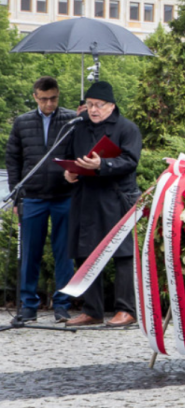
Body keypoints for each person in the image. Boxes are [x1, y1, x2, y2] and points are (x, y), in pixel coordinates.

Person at [62, 81, 142, 327]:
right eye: (89, 105)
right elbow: (66, 156)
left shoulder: (126, 128)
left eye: (98, 105)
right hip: (86, 197)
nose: (93, 110)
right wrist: (68, 174)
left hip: (116, 197)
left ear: (111, 106)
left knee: (122, 253)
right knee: (86, 252)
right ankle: (92, 309)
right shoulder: (78, 127)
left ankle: (125, 310)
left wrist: (102, 165)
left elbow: (130, 161)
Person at [5, 76, 77, 323]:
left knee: (64, 253)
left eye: (54, 98)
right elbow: (13, 159)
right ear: (35, 96)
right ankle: (28, 305)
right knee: (29, 252)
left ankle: (62, 304)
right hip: (32, 197)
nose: (49, 103)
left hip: (64, 196)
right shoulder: (22, 122)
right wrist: (16, 193)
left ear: (59, 95)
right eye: (44, 99)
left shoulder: (71, 121)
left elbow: (79, 152)